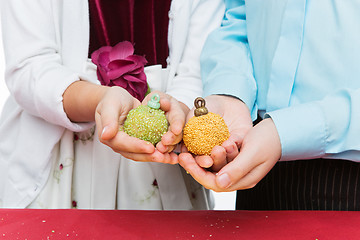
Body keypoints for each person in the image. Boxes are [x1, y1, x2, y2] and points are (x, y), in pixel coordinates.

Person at [0, 0, 224, 209]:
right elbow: (29, 66)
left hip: (165, 164)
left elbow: (200, 66)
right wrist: (98, 99)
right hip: (57, 164)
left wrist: (177, 110)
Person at [179, 0, 360, 210]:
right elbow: (239, 17)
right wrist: (230, 93)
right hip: (257, 156)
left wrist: (284, 131)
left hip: (349, 179)